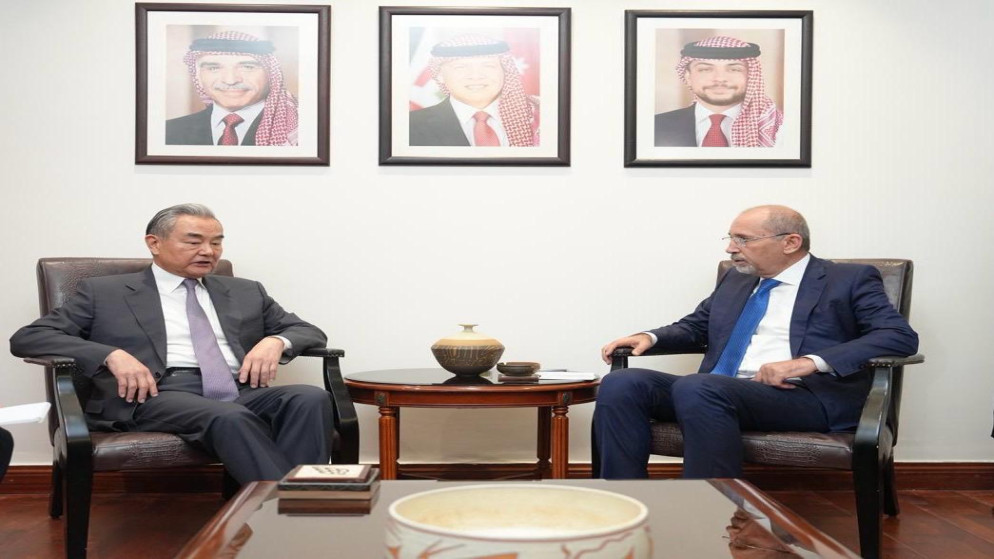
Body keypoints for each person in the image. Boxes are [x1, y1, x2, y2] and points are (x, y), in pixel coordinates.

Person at [10, 204, 333, 483]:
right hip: (156, 393)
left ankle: (294, 504)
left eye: (216, 242)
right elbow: (29, 337)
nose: (208, 251)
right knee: (229, 417)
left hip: (238, 389)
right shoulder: (105, 292)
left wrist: (276, 341)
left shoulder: (245, 291)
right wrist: (109, 354)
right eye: (194, 241)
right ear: (154, 243)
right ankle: (294, 512)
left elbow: (307, 331)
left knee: (309, 397)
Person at [593, 205, 919, 479]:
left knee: (700, 386)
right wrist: (650, 337)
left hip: (802, 396)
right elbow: (697, 327)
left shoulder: (847, 280)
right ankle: (624, 503)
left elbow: (898, 336)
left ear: (790, 242)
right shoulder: (737, 279)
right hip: (716, 391)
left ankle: (713, 510)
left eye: (743, 239)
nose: (730, 248)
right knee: (623, 383)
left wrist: (808, 362)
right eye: (731, 238)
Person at [166, 31, 298, 146]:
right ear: (198, 78)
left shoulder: (299, 131)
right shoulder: (168, 131)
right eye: (213, 68)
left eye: (247, 67)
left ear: (271, 75)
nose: (230, 80)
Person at [409, 34, 539, 147]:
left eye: (488, 66)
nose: (476, 76)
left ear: (505, 71)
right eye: (461, 67)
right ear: (440, 75)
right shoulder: (409, 125)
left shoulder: (539, 117)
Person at [654, 36, 783, 148]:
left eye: (734, 70)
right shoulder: (654, 126)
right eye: (705, 69)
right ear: (688, 77)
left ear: (751, 76)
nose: (720, 78)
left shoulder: (780, 128)